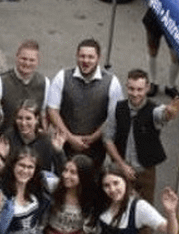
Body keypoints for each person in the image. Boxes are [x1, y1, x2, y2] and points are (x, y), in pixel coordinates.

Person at [103, 69, 179, 234]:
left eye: (140, 89)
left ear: (147, 88)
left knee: (146, 208)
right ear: (127, 87)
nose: (135, 93)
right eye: (131, 88)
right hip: (121, 169)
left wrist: (171, 111)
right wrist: (121, 164)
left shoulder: (153, 110)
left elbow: (163, 114)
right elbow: (108, 138)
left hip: (146, 169)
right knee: (118, 204)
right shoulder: (118, 108)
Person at [46, 38, 123, 168]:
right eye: (82, 56)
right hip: (64, 146)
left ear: (98, 58)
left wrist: (93, 137)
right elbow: (52, 110)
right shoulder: (62, 77)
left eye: (90, 57)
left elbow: (114, 116)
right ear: (77, 56)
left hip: (96, 149)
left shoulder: (112, 82)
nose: (86, 61)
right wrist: (70, 138)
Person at [0, 41, 51, 136]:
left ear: (38, 61)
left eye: (32, 60)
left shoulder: (45, 83)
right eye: (23, 59)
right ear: (16, 57)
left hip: (31, 141)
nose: (27, 63)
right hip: (4, 139)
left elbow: (43, 116)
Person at [3, 100, 66, 176]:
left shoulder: (46, 140)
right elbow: (1, 173)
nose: (23, 123)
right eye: (20, 118)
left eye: (28, 118)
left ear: (36, 119)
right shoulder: (9, 137)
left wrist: (58, 152)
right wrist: (2, 158)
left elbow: (62, 173)